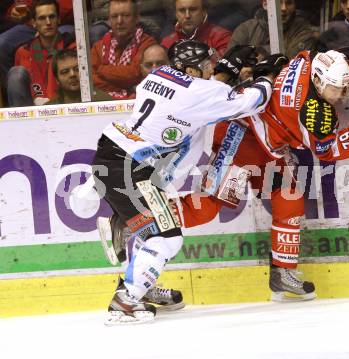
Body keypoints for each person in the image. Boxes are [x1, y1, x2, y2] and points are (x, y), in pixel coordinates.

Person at [92, 40, 276, 325]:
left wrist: (223, 74)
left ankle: (137, 282)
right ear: (190, 68)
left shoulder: (156, 76)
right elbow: (250, 102)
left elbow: (197, 90)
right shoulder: (198, 93)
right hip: (133, 170)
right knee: (167, 237)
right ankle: (125, 300)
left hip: (115, 159)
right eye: (205, 65)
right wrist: (266, 78)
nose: (210, 68)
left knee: (155, 230)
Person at [178, 50, 349, 302]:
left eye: (343, 88)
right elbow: (328, 150)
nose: (341, 96)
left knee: (290, 198)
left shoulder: (310, 63)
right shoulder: (315, 115)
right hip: (239, 139)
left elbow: (306, 55)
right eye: (336, 89)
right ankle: (144, 219)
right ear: (318, 82)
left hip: (268, 147)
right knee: (208, 207)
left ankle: (283, 272)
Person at [0, 0, 74, 105]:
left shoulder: (72, 46)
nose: (48, 22)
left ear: (57, 19)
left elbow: (70, 7)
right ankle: (17, 113)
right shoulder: (23, 52)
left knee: (58, 50)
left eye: (51, 17)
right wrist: (15, 10)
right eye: (43, 19)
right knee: (16, 73)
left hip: (67, 22)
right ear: (35, 22)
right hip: (29, 23)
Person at [91, 0, 157, 100]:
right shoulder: (98, 47)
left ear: (137, 18)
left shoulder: (148, 44)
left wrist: (101, 70)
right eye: (114, 16)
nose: (119, 21)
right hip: (105, 106)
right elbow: (92, 80)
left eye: (126, 15)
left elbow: (134, 73)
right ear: (109, 20)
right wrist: (126, 88)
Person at [228, 0, 318, 58]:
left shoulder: (303, 30)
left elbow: (290, 65)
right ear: (265, 4)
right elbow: (228, 63)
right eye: (279, 3)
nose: (284, 8)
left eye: (289, 3)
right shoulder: (246, 29)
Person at [161, 0, 231, 57]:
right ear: (176, 14)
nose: (187, 15)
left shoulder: (222, 38)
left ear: (204, 12)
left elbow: (223, 69)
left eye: (193, 9)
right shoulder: (167, 43)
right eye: (182, 10)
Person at [46, 48, 113, 104]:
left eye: (77, 69)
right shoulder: (50, 108)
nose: (72, 74)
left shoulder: (104, 102)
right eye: (65, 72)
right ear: (57, 80)